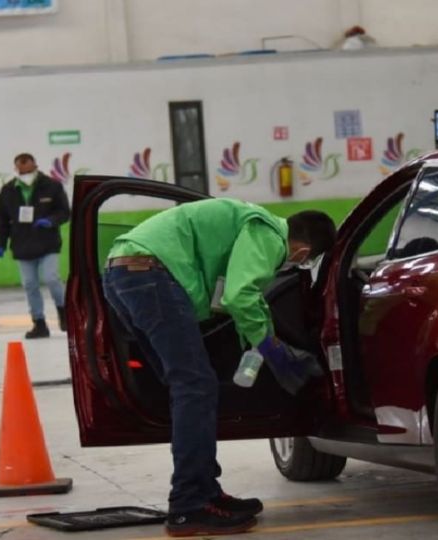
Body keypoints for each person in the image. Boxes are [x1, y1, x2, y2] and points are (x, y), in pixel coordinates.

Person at [102, 198, 336, 537]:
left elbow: (248, 299)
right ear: (304, 251)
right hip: (150, 274)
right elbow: (241, 295)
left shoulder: (250, 222)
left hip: (124, 273)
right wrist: (270, 347)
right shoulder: (268, 233)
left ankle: (205, 492)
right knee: (195, 387)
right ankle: (188, 505)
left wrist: (261, 336)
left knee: (189, 389)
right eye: (307, 260)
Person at [0, 153, 70, 339]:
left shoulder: (52, 186)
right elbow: (2, 220)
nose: (26, 173)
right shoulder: (7, 191)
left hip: (48, 243)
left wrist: (50, 221)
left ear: (35, 166)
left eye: (29, 170)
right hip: (22, 245)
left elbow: (64, 212)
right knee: (30, 285)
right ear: (16, 170)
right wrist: (1, 243)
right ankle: (39, 323)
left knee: (52, 278)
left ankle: (64, 313)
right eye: (22, 171)